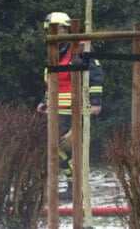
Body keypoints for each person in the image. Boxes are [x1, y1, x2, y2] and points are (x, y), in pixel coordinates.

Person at [36, 12, 104, 193]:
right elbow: (52, 81)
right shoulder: (55, 53)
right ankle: (74, 186)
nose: (51, 35)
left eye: (55, 30)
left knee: (68, 149)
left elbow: (96, 76)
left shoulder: (80, 49)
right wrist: (45, 101)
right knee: (57, 148)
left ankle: (77, 188)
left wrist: (95, 102)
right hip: (55, 109)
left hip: (73, 109)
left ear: (64, 28)